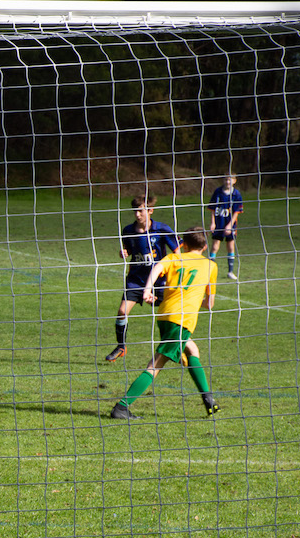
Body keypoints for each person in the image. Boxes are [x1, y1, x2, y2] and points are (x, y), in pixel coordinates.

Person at [109, 227, 219, 420]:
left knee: (192, 351)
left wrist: (147, 289)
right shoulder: (211, 266)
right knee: (156, 365)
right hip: (182, 319)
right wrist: (197, 300)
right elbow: (210, 304)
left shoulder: (173, 259)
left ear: (183, 244)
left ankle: (208, 399)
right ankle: (122, 407)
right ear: (204, 246)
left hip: (165, 315)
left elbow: (157, 268)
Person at [104, 194, 179, 363]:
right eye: (135, 211)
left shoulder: (162, 229)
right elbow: (129, 249)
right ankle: (121, 346)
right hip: (136, 279)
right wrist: (124, 253)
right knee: (122, 311)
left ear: (150, 210)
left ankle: (175, 346)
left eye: (141, 211)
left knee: (169, 314)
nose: (138, 215)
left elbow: (178, 252)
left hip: (159, 280)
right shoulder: (128, 231)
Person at [207, 173, 243, 281]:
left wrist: (230, 225)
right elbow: (212, 209)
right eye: (226, 180)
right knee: (214, 246)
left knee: (230, 246)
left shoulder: (236, 194)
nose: (228, 182)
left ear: (234, 181)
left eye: (230, 180)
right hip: (219, 223)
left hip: (229, 224)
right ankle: (210, 271)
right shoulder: (217, 192)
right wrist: (213, 222)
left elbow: (237, 211)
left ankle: (230, 271)